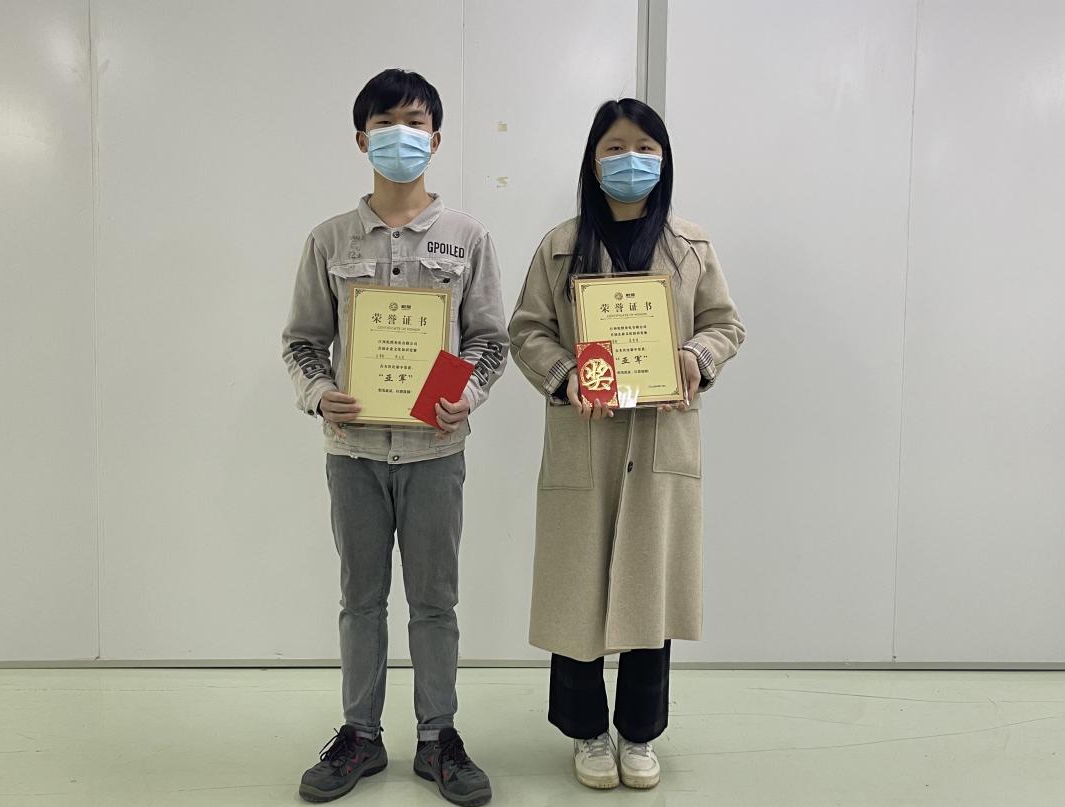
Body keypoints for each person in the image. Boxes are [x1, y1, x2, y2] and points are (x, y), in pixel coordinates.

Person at [282, 68, 506, 806]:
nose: (400, 136)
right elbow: (302, 340)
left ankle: (438, 737)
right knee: (361, 600)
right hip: (353, 453)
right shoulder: (329, 239)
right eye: (385, 124)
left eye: (415, 123)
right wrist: (321, 394)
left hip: (435, 452)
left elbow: (489, 340)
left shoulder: (467, 237)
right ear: (361, 139)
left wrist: (464, 395)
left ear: (435, 139)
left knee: (435, 603)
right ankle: (361, 735)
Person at [507, 98, 745, 791]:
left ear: (663, 160)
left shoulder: (691, 246)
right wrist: (564, 373)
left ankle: (638, 733)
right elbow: (526, 330)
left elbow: (725, 324)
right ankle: (586, 730)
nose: (629, 160)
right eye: (614, 147)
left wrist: (695, 357)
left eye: (644, 147)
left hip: (661, 440)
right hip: (586, 438)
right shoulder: (559, 246)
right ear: (592, 160)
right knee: (576, 590)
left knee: (650, 588)